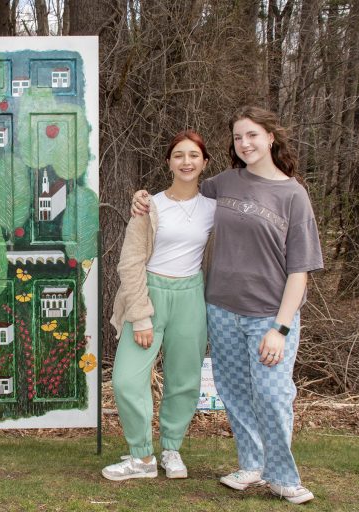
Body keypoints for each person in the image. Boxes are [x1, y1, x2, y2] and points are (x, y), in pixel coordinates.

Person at [131, 106, 323, 504]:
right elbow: (182, 197)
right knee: (234, 392)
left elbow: (300, 270)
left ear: (271, 137)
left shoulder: (293, 195)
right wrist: (142, 200)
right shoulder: (225, 184)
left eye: (252, 135)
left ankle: (283, 477)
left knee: (271, 395)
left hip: (270, 314)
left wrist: (281, 328)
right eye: (238, 137)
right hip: (220, 308)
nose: (245, 143)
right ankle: (251, 466)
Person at [103, 131, 216, 482]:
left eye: (194, 155)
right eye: (179, 155)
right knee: (125, 379)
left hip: (191, 296)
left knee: (184, 379)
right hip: (150, 293)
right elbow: (130, 262)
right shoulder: (149, 205)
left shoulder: (214, 207)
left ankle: (171, 449)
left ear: (204, 162)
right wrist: (140, 316)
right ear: (168, 162)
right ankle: (141, 457)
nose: (186, 162)